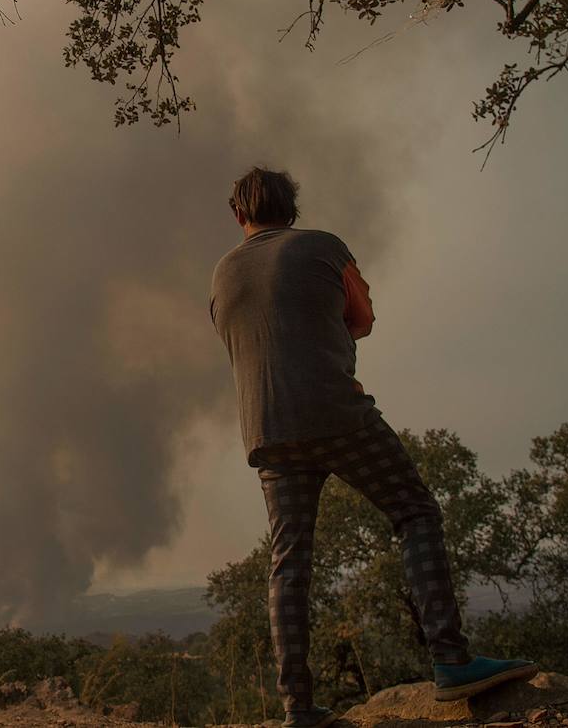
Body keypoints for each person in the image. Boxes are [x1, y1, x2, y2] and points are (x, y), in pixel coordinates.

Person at [208, 167, 536, 728]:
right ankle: (452, 661)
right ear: (293, 211)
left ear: (239, 215)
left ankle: (298, 708)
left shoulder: (220, 274)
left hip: (267, 431)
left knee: (289, 564)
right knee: (414, 512)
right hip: (338, 415)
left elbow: (237, 338)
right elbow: (362, 319)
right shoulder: (324, 247)